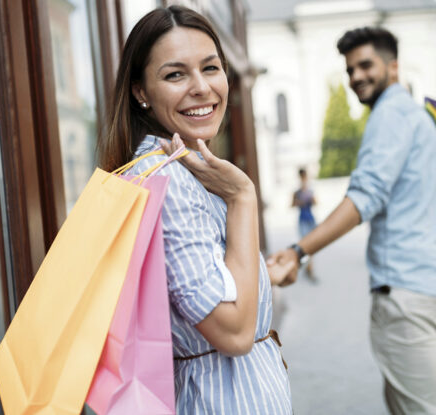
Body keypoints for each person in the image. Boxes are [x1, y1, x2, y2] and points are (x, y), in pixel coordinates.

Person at [96, 6, 293, 414]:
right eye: (175, 74)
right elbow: (234, 333)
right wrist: (243, 198)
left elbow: (198, 283)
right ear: (140, 92)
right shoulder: (167, 182)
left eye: (211, 67)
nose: (202, 88)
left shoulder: (184, 168)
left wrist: (262, 273)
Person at [268, 27, 436, 414]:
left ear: (394, 66)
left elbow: (364, 198)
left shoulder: (389, 116)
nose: (356, 77)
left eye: (366, 65)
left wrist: (298, 250)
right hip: (430, 283)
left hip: (404, 291)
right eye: (350, 69)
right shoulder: (416, 116)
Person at [292, 168, 318, 282]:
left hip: (310, 219)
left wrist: (310, 199)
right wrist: (299, 202)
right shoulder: (297, 192)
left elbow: (316, 203)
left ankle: (308, 267)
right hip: (302, 220)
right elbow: (292, 204)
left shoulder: (310, 190)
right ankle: (309, 269)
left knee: (312, 245)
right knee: (306, 246)